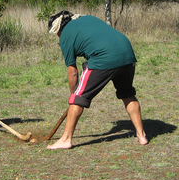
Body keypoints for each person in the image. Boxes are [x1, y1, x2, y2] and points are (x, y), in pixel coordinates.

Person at [47, 11, 148, 149]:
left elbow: (73, 72)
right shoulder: (86, 18)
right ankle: (141, 135)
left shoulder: (65, 36)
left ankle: (65, 139)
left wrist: (75, 97)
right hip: (127, 53)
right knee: (127, 94)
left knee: (77, 98)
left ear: (57, 29)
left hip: (104, 57)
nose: (57, 36)